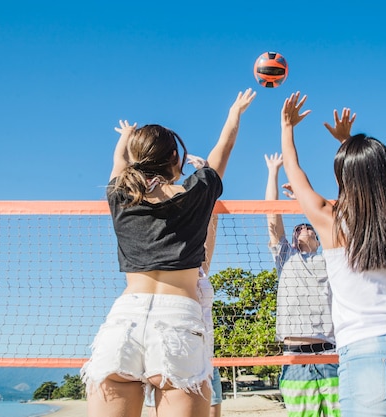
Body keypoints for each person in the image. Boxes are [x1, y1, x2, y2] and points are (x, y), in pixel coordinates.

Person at [81, 88, 256, 417]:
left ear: (134, 160)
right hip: (178, 321)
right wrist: (235, 113)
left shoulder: (121, 193)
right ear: (176, 159)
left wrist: (126, 137)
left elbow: (120, 163)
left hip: (125, 321)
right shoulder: (197, 189)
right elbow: (224, 149)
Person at [279, 91, 386, 417]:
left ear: (344, 176)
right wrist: (349, 142)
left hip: (367, 357)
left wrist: (286, 126)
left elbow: (294, 169)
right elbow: (370, 188)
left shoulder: (329, 219)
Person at [146, 160, 224, 417]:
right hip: (170, 345)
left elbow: (206, 228)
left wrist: (207, 177)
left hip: (201, 350)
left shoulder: (198, 269)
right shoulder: (158, 267)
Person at [264, 152, 340, 417]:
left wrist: (303, 200)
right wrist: (273, 172)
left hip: (331, 355)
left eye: (308, 227)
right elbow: (272, 219)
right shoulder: (286, 257)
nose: (302, 229)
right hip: (295, 357)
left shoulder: (330, 258)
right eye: (297, 229)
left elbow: (333, 221)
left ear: (319, 240)